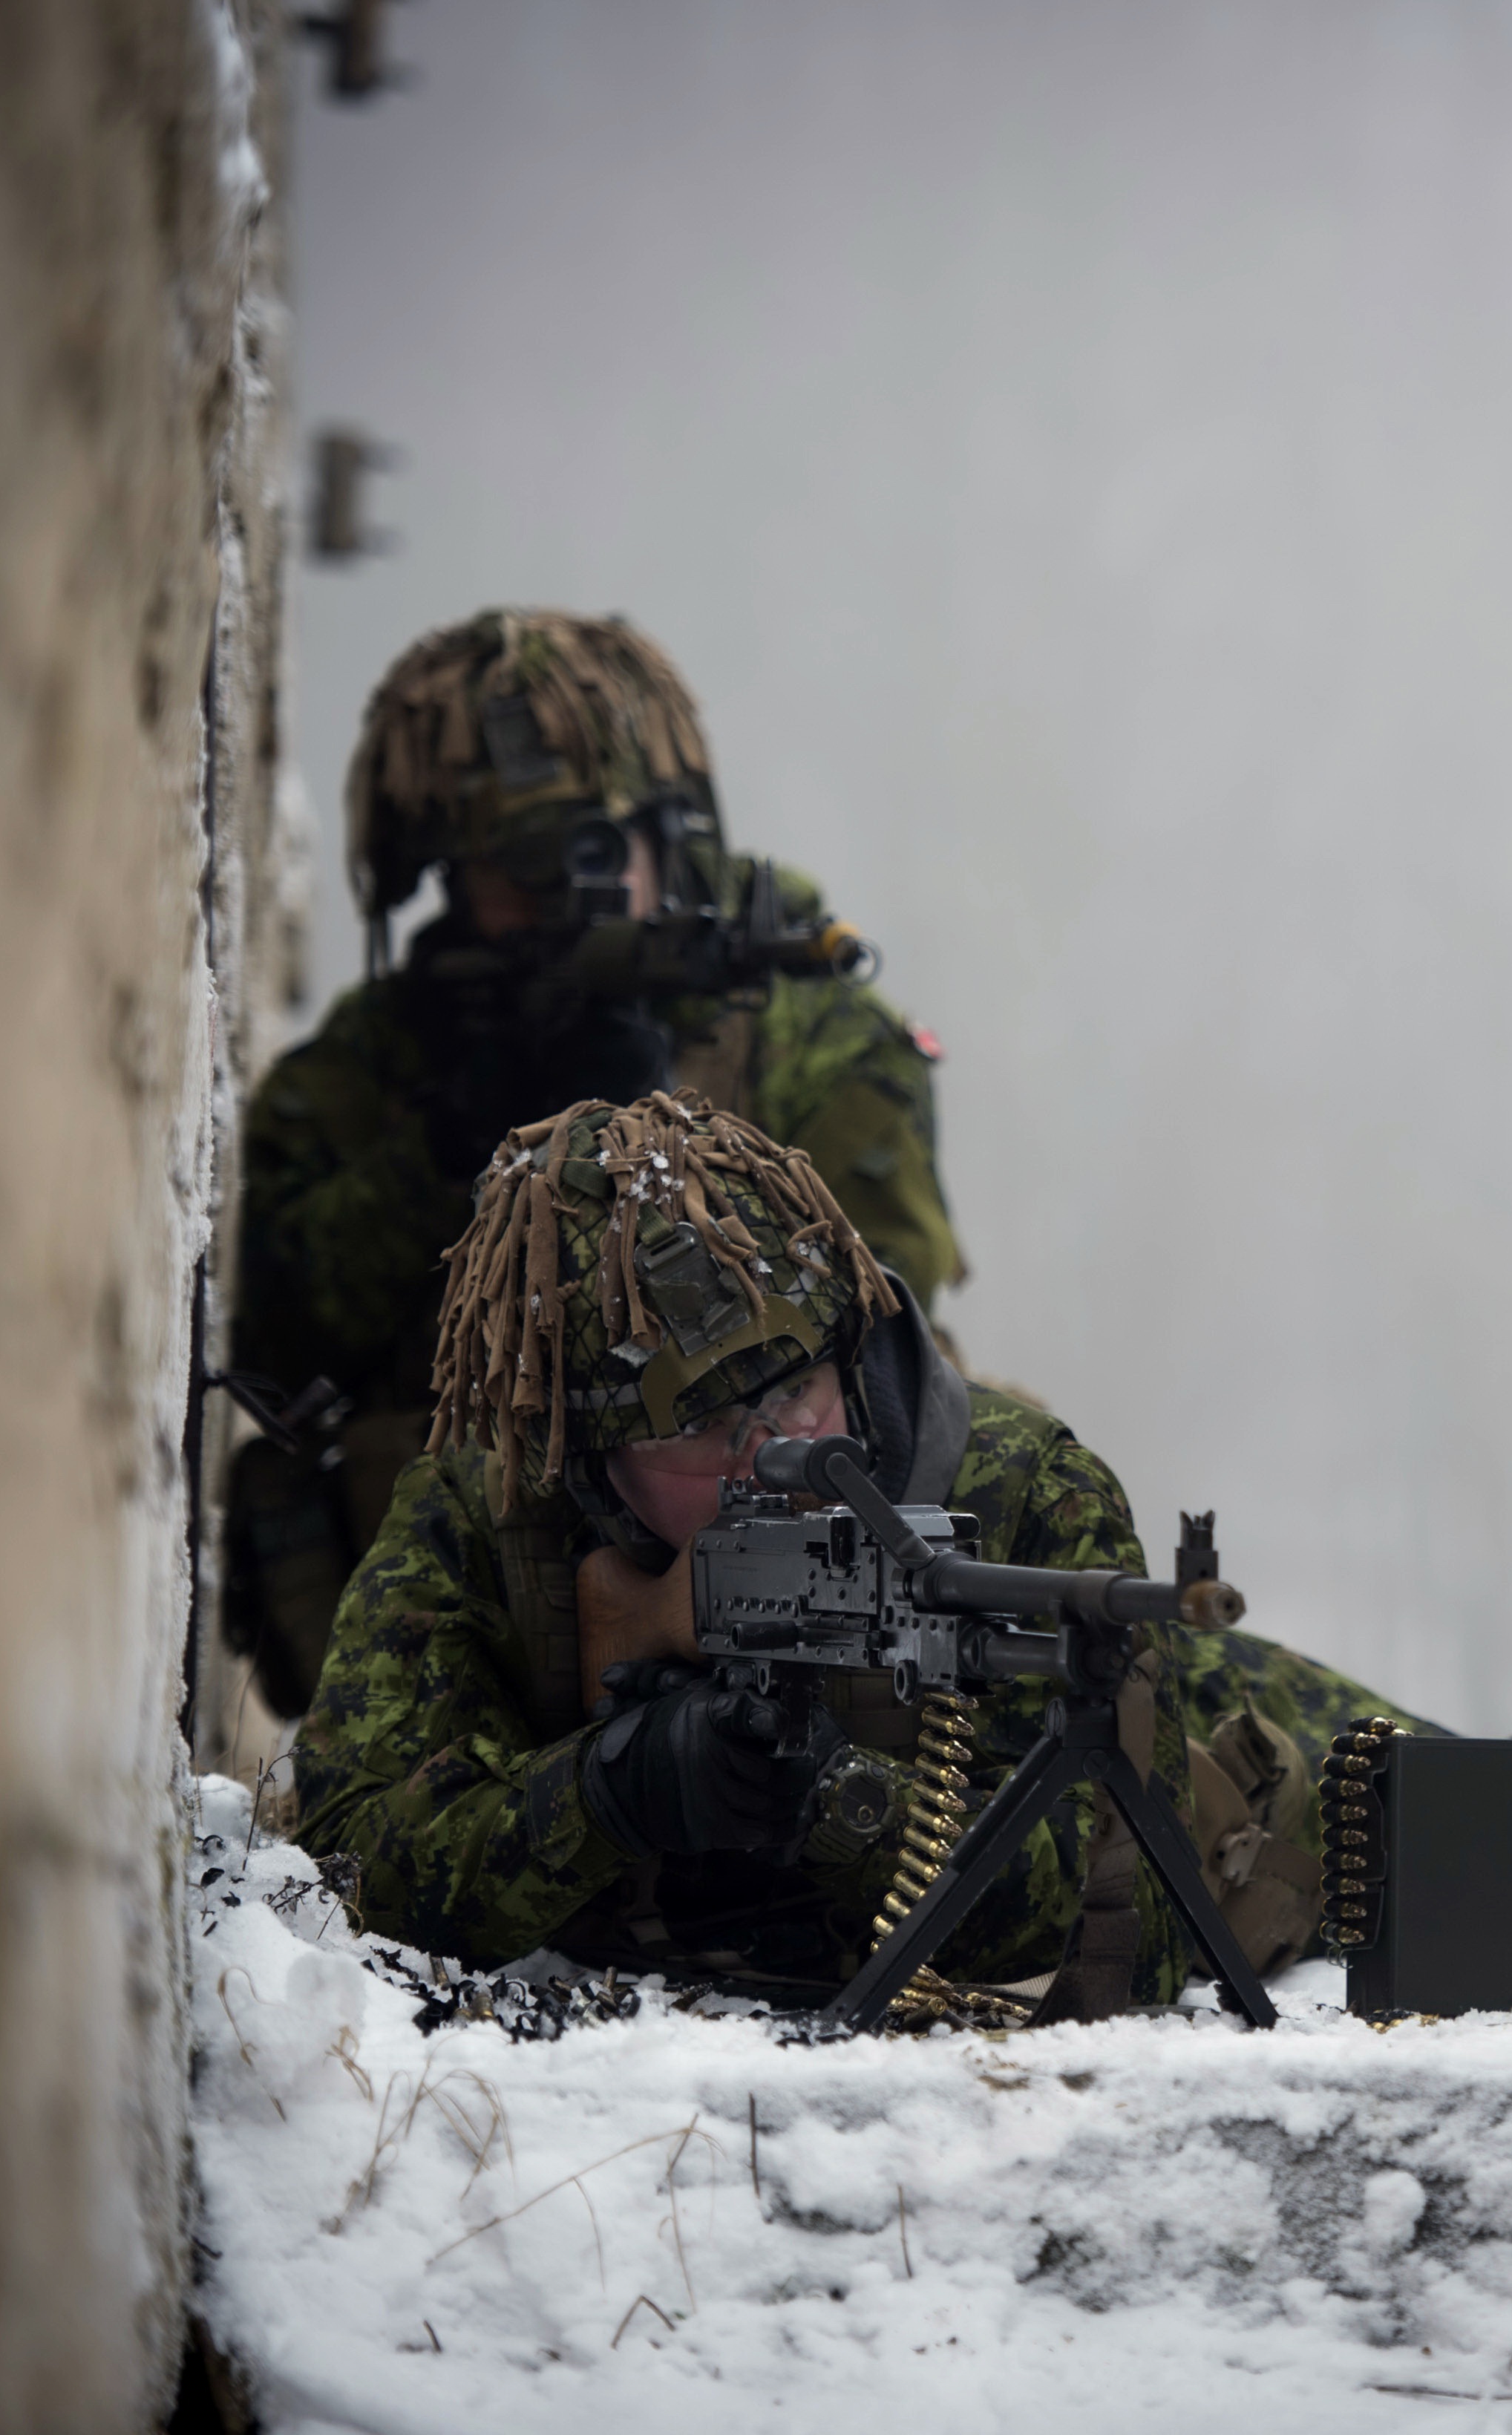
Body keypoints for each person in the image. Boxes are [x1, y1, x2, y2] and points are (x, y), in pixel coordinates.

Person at [293, 1093, 1431, 2020]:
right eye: (701, 1430)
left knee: (1499, 1825)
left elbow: (1114, 1931)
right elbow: (343, 1871)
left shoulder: (1024, 1488)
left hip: (1246, 1789)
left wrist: (832, 1794)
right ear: (586, 1462)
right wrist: (609, 1793)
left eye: (796, 1388)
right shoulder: (481, 1521)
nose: (775, 1453)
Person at [223, 609, 964, 1716]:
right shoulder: (382, 1065)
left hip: (766, 1533)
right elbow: (274, 1336)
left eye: (597, 852)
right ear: (448, 881)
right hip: (488, 1608)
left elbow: (884, 1314)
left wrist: (664, 1133)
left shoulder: (797, 1019)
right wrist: (456, 1140)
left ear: (669, 833)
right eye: (519, 873)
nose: (569, 902)